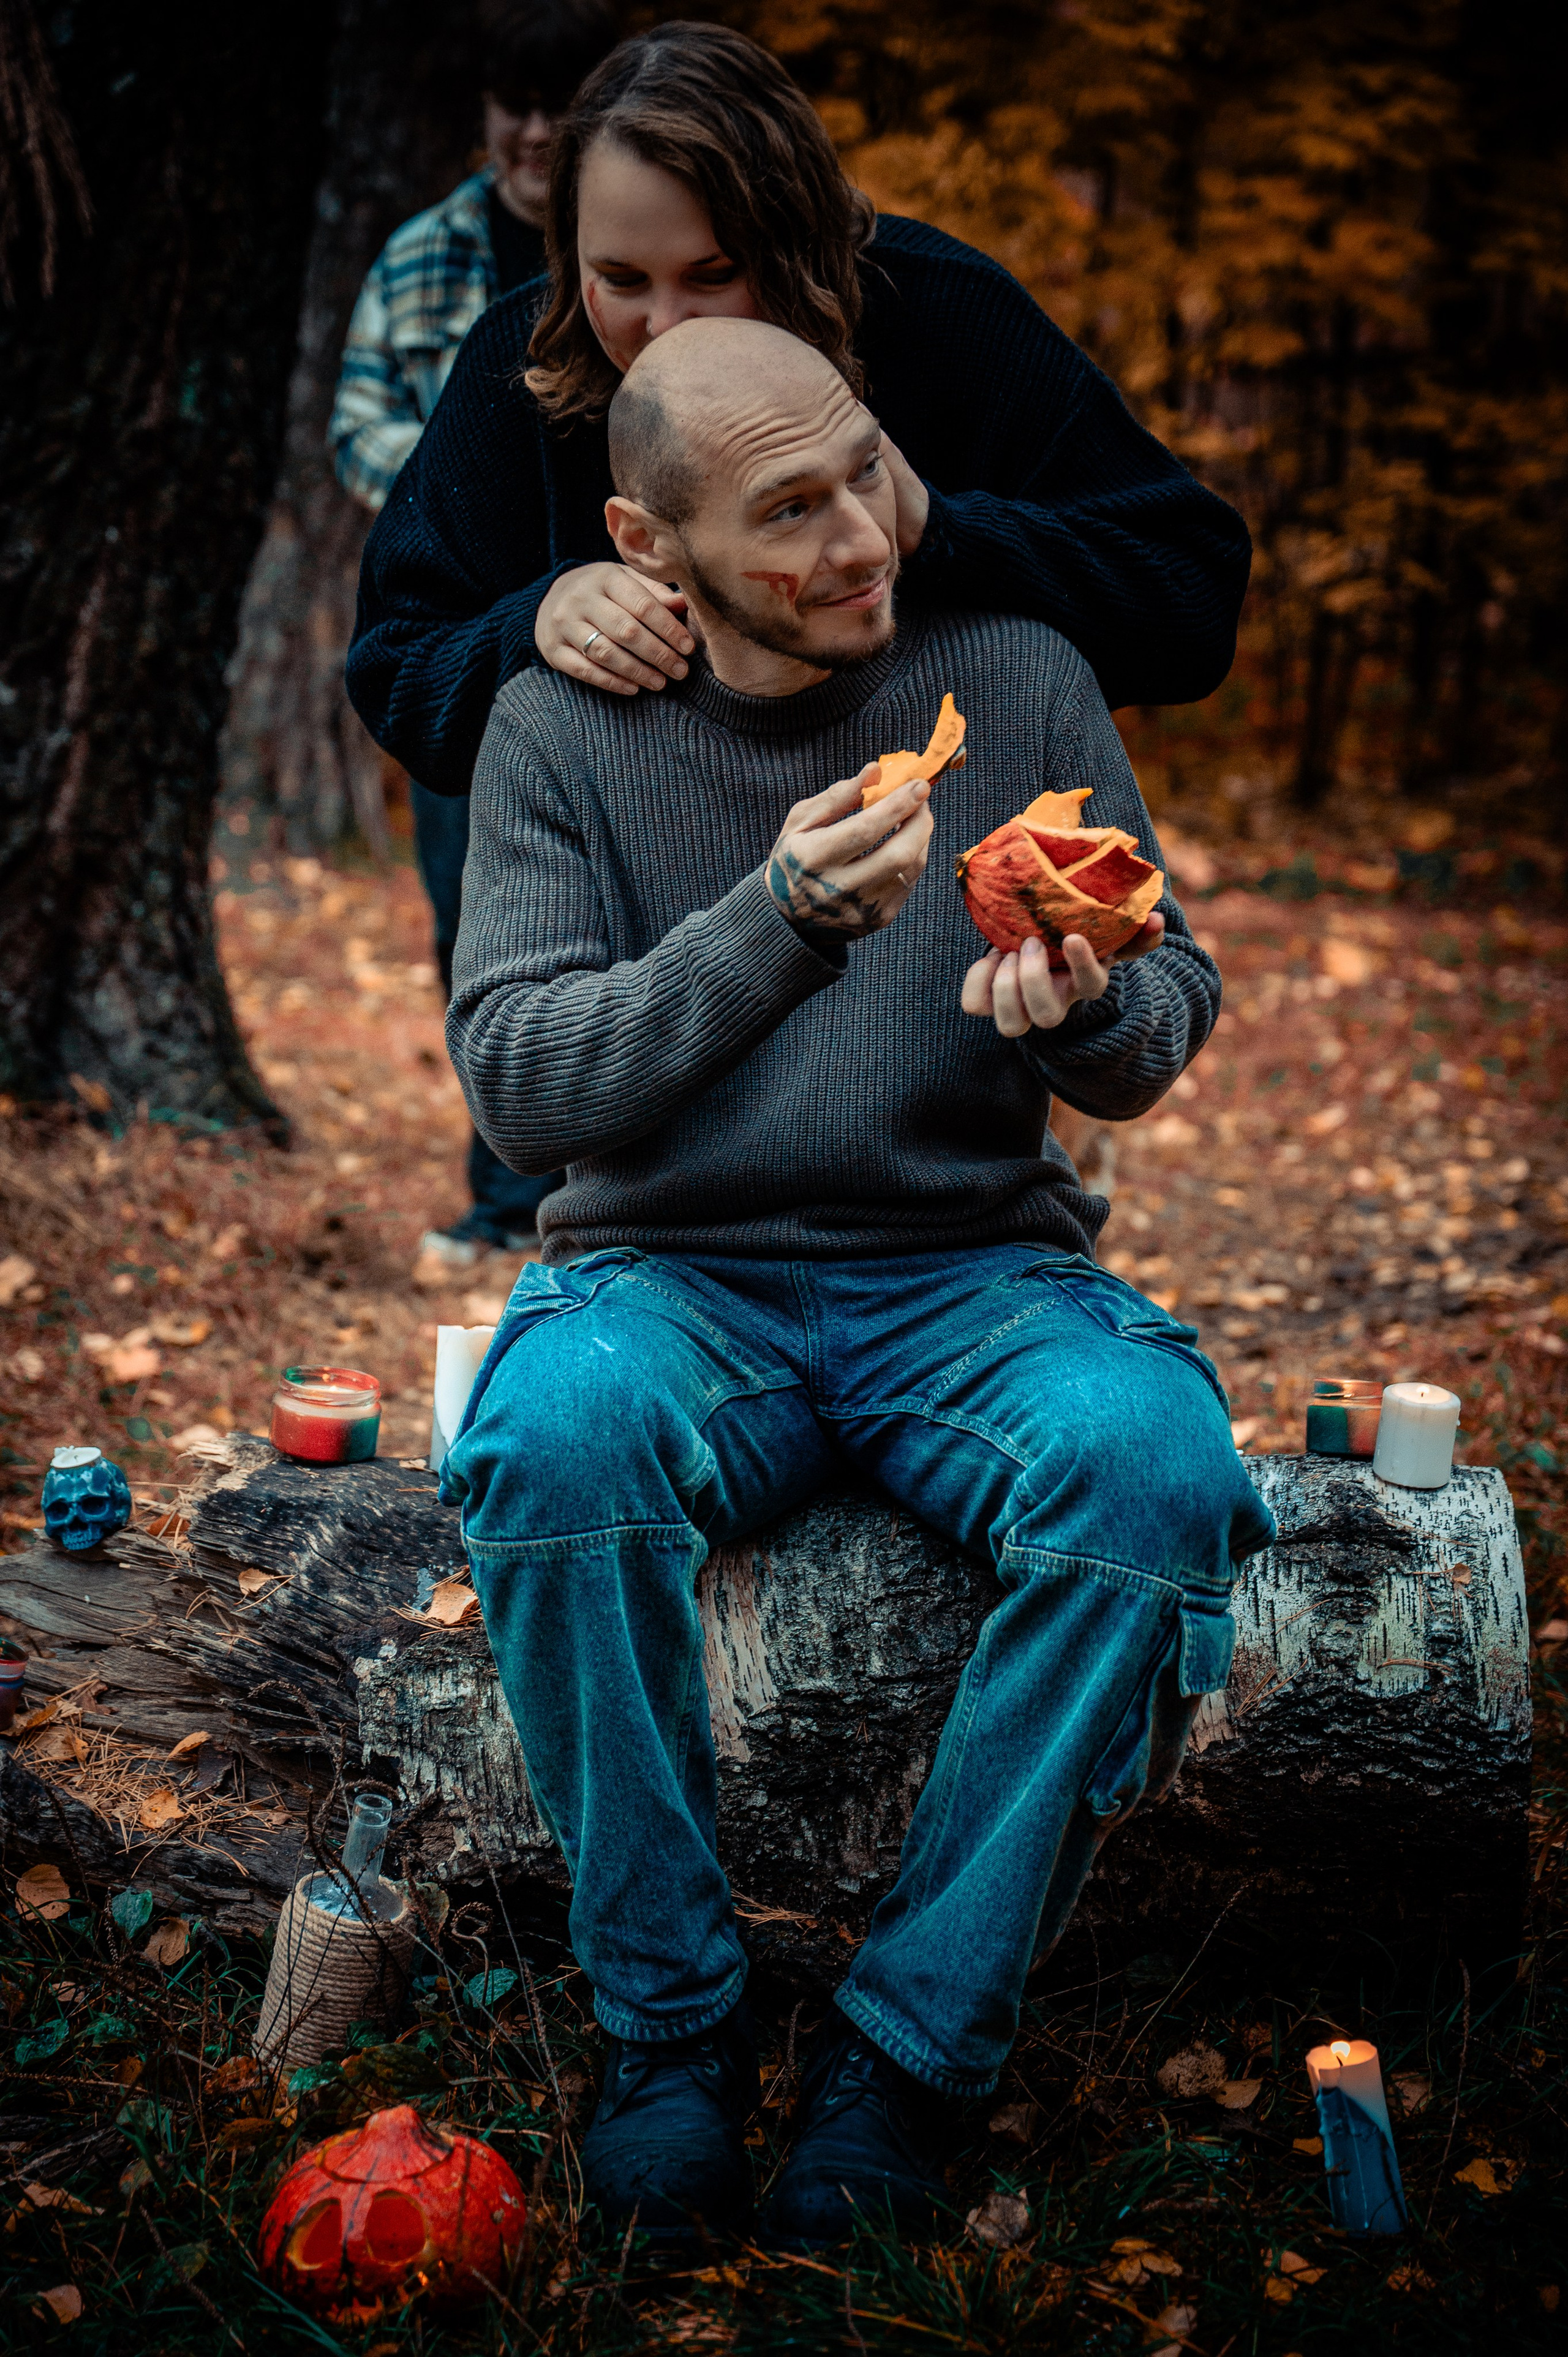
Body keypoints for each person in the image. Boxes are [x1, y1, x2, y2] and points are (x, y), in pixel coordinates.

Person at [437, 315, 1275, 2251]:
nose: (858, 542)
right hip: (667, 1278)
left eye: (864, 474)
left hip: (970, 1277)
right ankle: (669, 2035)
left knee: (1153, 1469)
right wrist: (780, 924)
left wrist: (1087, 1009)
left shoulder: (1021, 676)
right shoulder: (561, 726)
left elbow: (1165, 1019)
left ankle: (909, 2055)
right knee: (547, 1438)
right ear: (657, 547)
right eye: (787, 511)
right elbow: (527, 1083)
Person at [345, 20, 1254, 806]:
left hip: (944, 878)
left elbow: (1190, 606)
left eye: (714, 275)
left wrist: (940, 533)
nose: (663, 327)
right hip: (651, 924)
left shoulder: (942, 316)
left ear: (802, 244)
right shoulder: (524, 367)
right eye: (621, 280)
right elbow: (397, 675)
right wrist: (534, 623)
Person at [330, 0, 620, 1271]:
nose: (535, 133)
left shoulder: (648, 235)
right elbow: (358, 430)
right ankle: (505, 1197)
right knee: (477, 920)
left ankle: (613, 1194)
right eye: (516, 106)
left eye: (563, 106)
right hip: (477, 650)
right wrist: (475, 485)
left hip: (631, 646)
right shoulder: (423, 257)